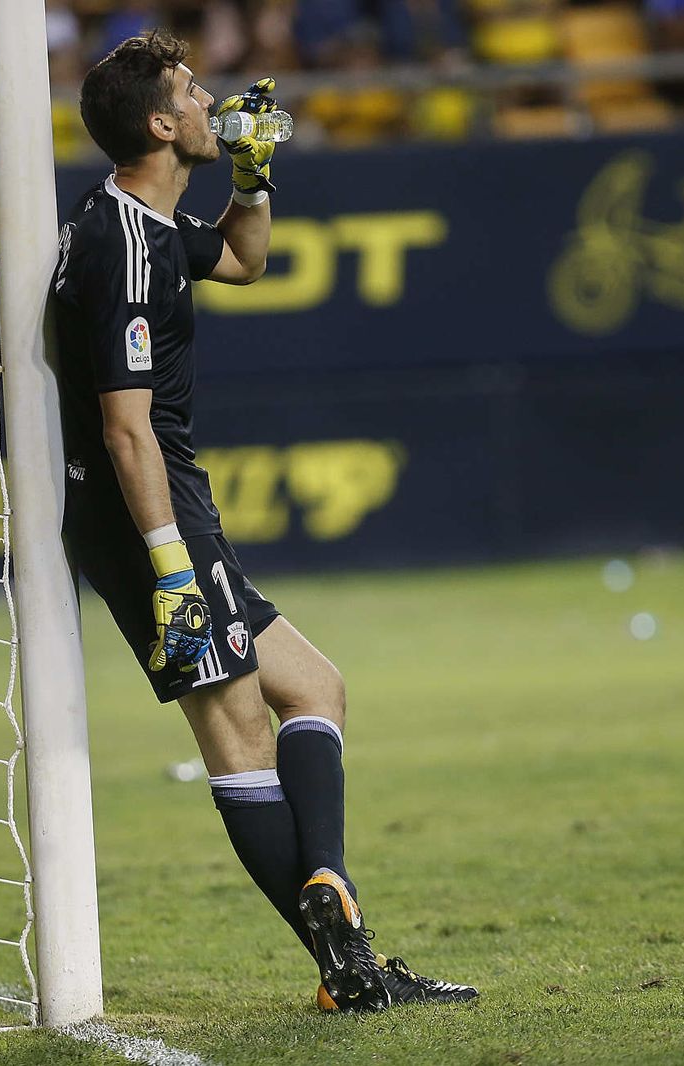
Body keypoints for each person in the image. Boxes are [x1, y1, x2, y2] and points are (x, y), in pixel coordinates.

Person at [51, 30, 477, 1013]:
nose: (213, 101)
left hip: (172, 508)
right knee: (239, 736)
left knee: (314, 687)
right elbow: (124, 429)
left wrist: (250, 174)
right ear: (161, 125)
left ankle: (336, 913)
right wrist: (169, 566)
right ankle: (348, 960)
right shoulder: (122, 247)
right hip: (147, 518)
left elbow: (244, 259)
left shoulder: (150, 222)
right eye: (194, 93)